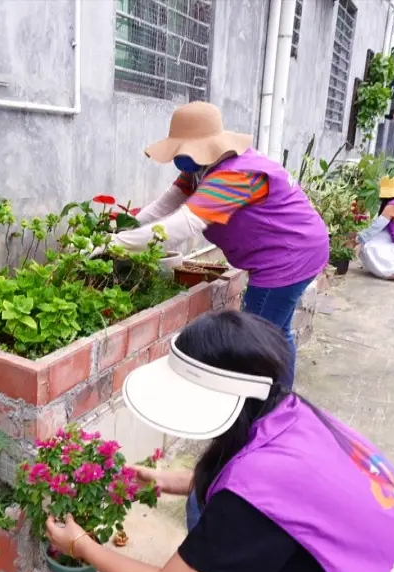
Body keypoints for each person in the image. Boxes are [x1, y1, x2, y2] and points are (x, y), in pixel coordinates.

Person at [44, 311, 394, 572]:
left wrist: (81, 545)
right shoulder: (291, 414)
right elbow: (283, 498)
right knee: (202, 505)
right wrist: (169, 479)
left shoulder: (256, 494)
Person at [104, 101, 328, 387]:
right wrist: (124, 227)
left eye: (182, 149)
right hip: (300, 247)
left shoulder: (235, 174)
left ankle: (264, 402)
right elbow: (165, 205)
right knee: (277, 331)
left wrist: (114, 244)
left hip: (288, 258)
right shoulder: (202, 168)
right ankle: (282, 396)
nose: (178, 157)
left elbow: (184, 224)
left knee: (256, 342)